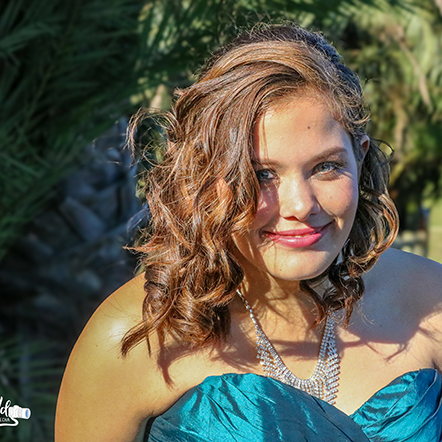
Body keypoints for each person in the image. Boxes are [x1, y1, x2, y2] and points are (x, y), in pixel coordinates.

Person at [55, 24, 442, 441]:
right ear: (205, 179)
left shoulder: (430, 298)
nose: (301, 206)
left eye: (326, 166)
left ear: (359, 158)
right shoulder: (136, 337)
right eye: (260, 174)